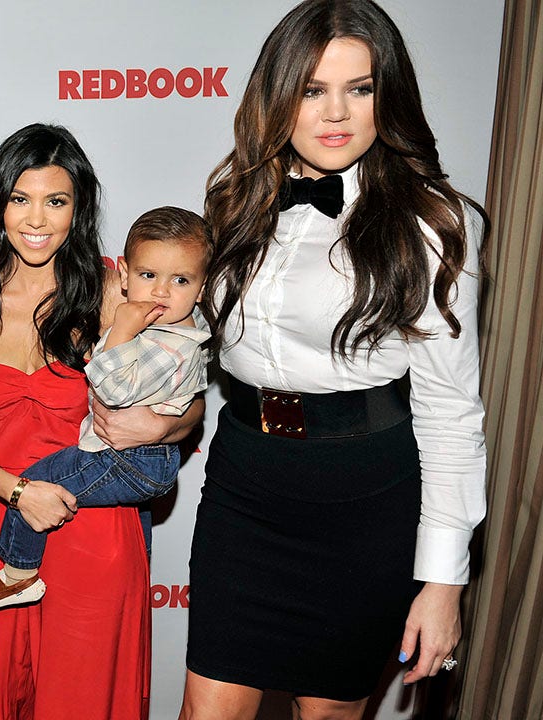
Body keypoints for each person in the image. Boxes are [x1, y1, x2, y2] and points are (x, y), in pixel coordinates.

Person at [179, 1, 488, 718]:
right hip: (244, 486)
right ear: (278, 95)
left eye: (361, 88)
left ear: (389, 95)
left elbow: (450, 410)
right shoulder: (234, 200)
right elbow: (208, 346)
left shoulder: (433, 224)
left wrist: (444, 582)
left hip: (364, 502)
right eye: (313, 89)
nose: (337, 112)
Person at [0, 124, 202, 720]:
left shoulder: (112, 294)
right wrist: (20, 492)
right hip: (4, 525)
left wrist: (163, 429)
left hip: (95, 528)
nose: (37, 219)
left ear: (77, 209)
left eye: (55, 201)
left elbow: (188, 397)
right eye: (20, 199)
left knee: (81, 699)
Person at [0, 207, 211, 610]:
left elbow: (113, 389)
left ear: (201, 287)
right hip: (126, 460)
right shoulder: (175, 325)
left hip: (128, 460)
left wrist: (121, 329)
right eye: (149, 275)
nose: (161, 292)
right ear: (125, 273)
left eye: (180, 280)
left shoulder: (163, 339)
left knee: (37, 482)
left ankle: (18, 572)